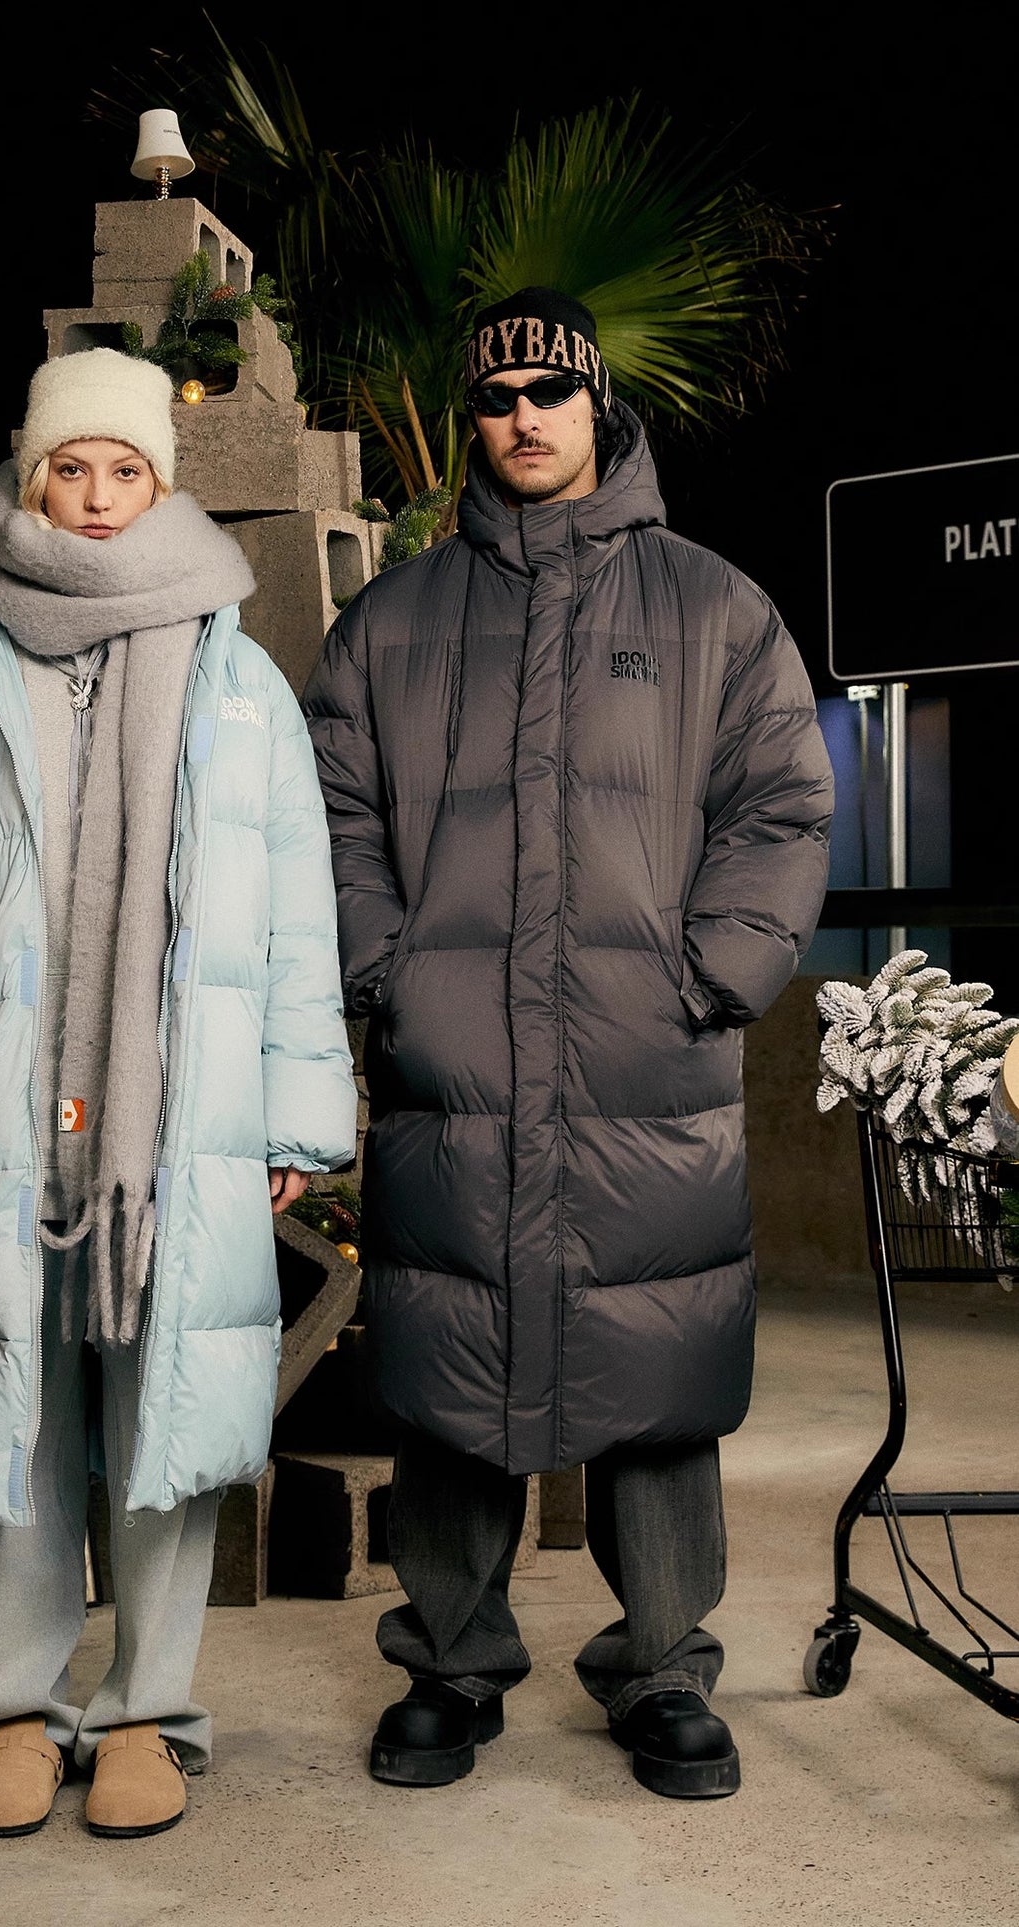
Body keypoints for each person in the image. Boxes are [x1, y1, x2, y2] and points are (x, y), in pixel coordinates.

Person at [304, 288, 833, 1800]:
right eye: (496, 396)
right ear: (472, 419)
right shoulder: (391, 621)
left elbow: (781, 805)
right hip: (454, 1061)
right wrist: (388, 972)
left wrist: (712, 974)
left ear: (598, 403)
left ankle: (662, 1669)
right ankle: (448, 1664)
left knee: (657, 1371)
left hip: (644, 1060)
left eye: (550, 389)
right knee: (447, 1364)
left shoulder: (713, 606)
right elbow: (329, 811)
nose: (524, 416)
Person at [0, 347, 356, 1840]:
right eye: (74, 467)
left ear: (162, 482)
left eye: (127, 469)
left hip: (177, 1117)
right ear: (32, 474)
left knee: (164, 1408)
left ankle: (148, 1716)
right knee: (17, 1413)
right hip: (2, 1110)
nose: (101, 496)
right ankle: (16, 1712)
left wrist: (297, 1113)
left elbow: (292, 915)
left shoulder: (239, 681)